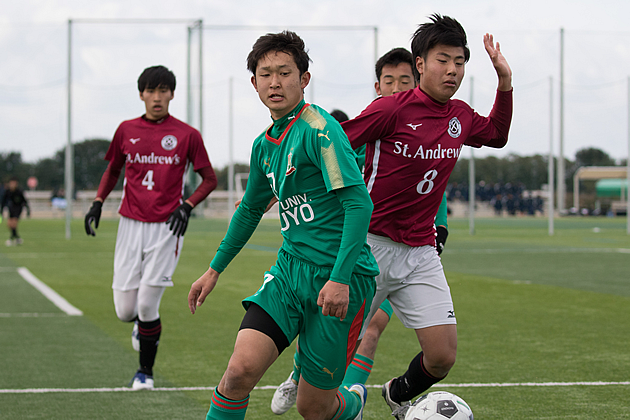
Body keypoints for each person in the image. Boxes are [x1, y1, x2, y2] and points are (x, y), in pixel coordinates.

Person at [188, 31, 378, 420]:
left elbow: (359, 204)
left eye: (284, 72)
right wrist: (214, 269)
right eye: (265, 73)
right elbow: (249, 210)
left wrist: (339, 279)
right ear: (254, 82)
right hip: (290, 275)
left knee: (314, 409)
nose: (275, 82)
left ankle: (353, 402)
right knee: (238, 372)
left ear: (303, 79)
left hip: (340, 279)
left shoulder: (320, 130)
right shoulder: (263, 146)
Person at [340, 14, 513, 418]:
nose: (452, 70)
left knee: (442, 357)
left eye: (459, 61)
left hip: (420, 253)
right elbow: (338, 142)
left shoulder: (460, 115)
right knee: (336, 350)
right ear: (420, 64)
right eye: (442, 60)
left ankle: (397, 394)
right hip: (369, 248)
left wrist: (504, 82)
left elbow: (497, 135)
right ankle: (316, 388)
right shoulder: (391, 109)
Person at [271, 46, 453, 416]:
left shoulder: (430, 127)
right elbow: (324, 163)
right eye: (390, 81)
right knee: (340, 330)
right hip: (364, 248)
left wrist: (441, 227)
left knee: (382, 333)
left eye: (405, 81)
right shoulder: (370, 125)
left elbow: (434, 181)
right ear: (377, 86)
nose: (397, 87)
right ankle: (302, 376)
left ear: (416, 81)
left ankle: (388, 393)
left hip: (415, 252)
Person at [84, 65, 217, 390]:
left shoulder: (187, 135)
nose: (157, 97)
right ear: (141, 94)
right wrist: (98, 201)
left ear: (172, 94)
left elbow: (210, 179)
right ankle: (142, 327)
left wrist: (187, 206)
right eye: (150, 91)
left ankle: (145, 373)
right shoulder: (126, 129)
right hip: (130, 225)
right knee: (124, 310)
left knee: (147, 305)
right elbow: (113, 169)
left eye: (163, 91)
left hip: (166, 229)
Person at [1, 177, 30, 246]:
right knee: (9, 224)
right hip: (11, 209)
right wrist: (1, 210)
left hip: (18, 208)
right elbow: (3, 201)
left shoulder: (19, 191)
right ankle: (17, 238)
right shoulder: (7, 192)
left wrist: (28, 209)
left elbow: (24, 201)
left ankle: (11, 239)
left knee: (13, 223)